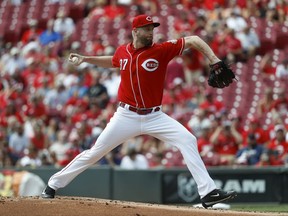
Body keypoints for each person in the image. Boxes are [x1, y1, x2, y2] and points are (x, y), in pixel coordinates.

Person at [41, 14, 236, 208]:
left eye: (152, 28)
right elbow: (114, 61)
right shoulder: (123, 52)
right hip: (126, 116)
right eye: (147, 28)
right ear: (135, 31)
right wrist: (86, 59)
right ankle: (53, 184)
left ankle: (208, 192)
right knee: (95, 153)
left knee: (188, 140)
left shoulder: (161, 50)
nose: (151, 32)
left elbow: (193, 40)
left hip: (155, 116)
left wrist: (214, 59)